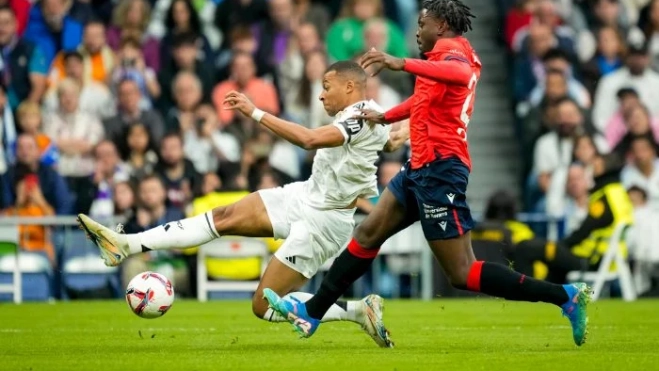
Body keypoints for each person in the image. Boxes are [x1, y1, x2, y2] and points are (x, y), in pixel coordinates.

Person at [263, 0, 592, 347]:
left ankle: (565, 295)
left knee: (462, 273)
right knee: (369, 233)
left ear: (441, 26)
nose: (417, 31)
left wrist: (399, 62)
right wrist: (385, 117)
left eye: (422, 24)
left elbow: (461, 75)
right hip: (419, 168)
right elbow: (422, 100)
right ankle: (313, 312)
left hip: (441, 171)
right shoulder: (439, 61)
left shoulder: (452, 52)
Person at [77, 60, 406, 348]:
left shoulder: (362, 117)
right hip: (303, 196)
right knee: (223, 216)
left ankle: (357, 311)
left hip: (325, 222)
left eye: (326, 87)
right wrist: (404, 132)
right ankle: (124, 244)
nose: (321, 95)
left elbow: (308, 140)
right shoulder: (371, 116)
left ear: (350, 86)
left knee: (263, 306)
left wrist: (255, 112)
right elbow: (387, 141)